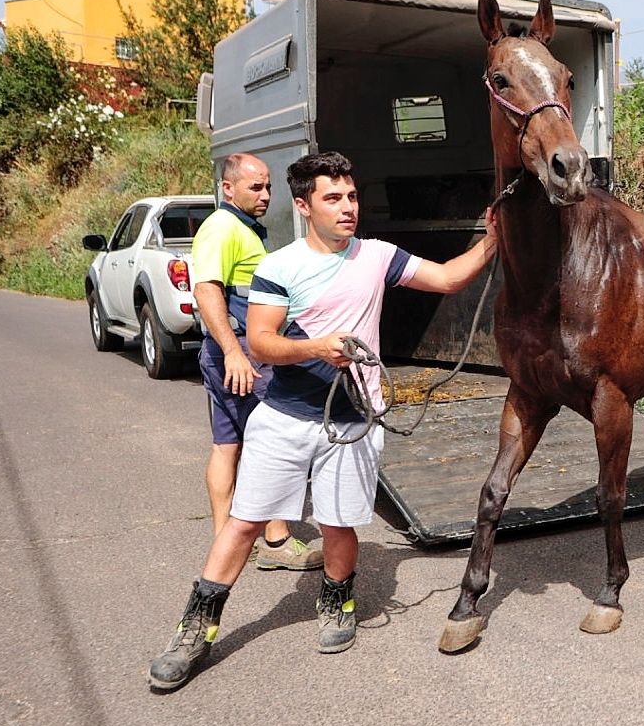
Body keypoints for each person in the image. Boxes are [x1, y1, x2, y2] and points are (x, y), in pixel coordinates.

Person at [149, 151, 499, 690]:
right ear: (304, 206)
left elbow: (450, 278)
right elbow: (262, 344)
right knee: (244, 522)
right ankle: (196, 626)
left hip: (353, 420)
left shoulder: (379, 256)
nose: (347, 207)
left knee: (339, 522)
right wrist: (317, 347)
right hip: (286, 416)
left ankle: (337, 600)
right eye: (333, 198)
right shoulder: (279, 265)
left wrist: (494, 239)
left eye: (352, 197)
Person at [190, 152, 321, 570]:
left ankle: (226, 541)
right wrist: (233, 352)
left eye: (268, 186)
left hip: (234, 352)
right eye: (255, 187)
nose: (266, 195)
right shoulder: (222, 227)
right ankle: (277, 541)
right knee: (274, 444)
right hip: (241, 354)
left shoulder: (243, 228)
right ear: (228, 189)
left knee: (227, 444)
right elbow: (207, 291)